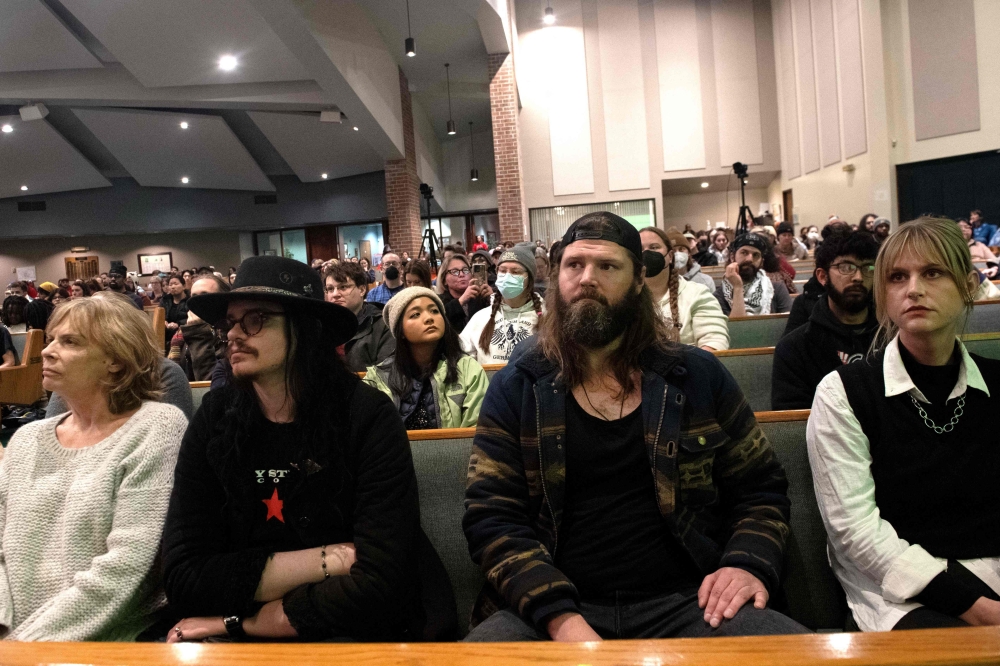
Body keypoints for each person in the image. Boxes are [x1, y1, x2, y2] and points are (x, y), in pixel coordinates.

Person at [463, 212, 805, 642]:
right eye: (574, 265)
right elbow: (491, 516)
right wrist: (561, 619)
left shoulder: (695, 375)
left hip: (692, 600)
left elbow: (761, 489)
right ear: (557, 277)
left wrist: (747, 563)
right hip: (552, 605)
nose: (587, 279)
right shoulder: (520, 385)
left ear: (639, 280)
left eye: (607, 266)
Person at [162, 256, 456, 642]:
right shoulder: (215, 419)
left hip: (361, 634)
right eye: (229, 323)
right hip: (241, 642)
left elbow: (381, 578)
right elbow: (183, 576)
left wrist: (245, 620)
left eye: (254, 319)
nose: (233, 335)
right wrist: (329, 560)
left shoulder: (366, 415)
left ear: (305, 329)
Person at [807, 217, 1000, 632]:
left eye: (932, 272)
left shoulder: (995, 384)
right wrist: (977, 607)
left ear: (968, 285)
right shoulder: (844, 393)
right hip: (899, 591)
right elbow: (855, 533)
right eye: (897, 276)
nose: (913, 289)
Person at [0, 296, 188, 640]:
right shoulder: (26, 439)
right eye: (52, 339)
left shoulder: (156, 427)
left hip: (111, 643)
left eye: (70, 342)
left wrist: (22, 646)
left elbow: (131, 564)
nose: (47, 351)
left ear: (116, 361)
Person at [772, 232, 879, 410]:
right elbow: (793, 424)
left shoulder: (896, 337)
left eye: (869, 268)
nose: (858, 277)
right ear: (822, 276)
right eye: (846, 267)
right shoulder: (794, 348)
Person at [364, 287, 487, 429]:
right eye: (415, 314)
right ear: (400, 330)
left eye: (435, 311)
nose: (429, 318)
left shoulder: (468, 369)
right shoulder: (378, 378)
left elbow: (475, 430)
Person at [640, 227, 729, 351]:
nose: (647, 253)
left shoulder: (698, 294)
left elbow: (714, 341)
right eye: (640, 249)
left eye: (654, 247)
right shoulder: (623, 297)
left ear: (670, 256)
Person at [459, 244, 544, 364]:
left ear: (529, 279)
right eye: (503, 271)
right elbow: (463, 358)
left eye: (515, 272)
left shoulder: (546, 316)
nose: (507, 276)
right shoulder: (481, 318)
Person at [324, 262, 394, 373]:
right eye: (330, 289)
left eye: (343, 287)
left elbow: (387, 377)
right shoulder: (322, 325)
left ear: (362, 290)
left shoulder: (383, 325)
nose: (335, 294)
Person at [168, 274, 230, 382]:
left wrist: (198, 333)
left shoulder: (229, 332)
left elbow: (210, 383)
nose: (198, 302)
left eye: (205, 295)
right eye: (194, 297)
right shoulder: (183, 332)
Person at [715, 235, 792, 316]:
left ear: (761, 262)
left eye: (756, 255)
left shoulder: (777, 289)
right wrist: (737, 287)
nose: (749, 259)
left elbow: (788, 324)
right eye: (744, 253)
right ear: (732, 257)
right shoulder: (719, 295)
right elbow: (737, 326)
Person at [438, 254, 491, 332]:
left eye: (465, 270)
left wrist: (493, 298)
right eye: (455, 272)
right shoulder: (439, 301)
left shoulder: (480, 298)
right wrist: (461, 301)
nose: (461, 275)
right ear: (444, 280)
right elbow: (441, 319)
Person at [160, 274, 189, 353]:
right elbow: (161, 316)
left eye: (176, 284)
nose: (172, 287)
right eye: (170, 284)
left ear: (183, 286)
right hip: (167, 334)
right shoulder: (165, 300)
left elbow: (191, 318)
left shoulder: (189, 300)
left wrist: (178, 324)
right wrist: (164, 322)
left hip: (184, 334)